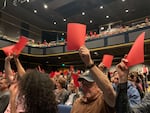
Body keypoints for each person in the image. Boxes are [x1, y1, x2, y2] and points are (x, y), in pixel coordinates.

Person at [71, 46, 116, 113]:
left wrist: (89, 63)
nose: (84, 88)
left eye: (88, 84)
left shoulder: (103, 101)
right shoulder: (77, 102)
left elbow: (109, 91)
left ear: (99, 85)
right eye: (83, 84)